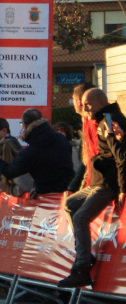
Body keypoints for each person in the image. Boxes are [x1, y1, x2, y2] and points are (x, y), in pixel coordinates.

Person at [58, 88, 125, 288]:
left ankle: (82, 267)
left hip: (107, 184)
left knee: (80, 217)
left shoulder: (109, 122)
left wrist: (122, 189)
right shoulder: (102, 119)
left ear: (99, 102)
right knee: (70, 204)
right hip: (97, 181)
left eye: (87, 104)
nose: (83, 108)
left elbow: (121, 157)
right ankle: (86, 255)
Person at [0, 108, 74, 195]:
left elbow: (9, 171)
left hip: (45, 195)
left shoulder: (31, 151)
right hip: (67, 192)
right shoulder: (61, 140)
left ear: (25, 125)